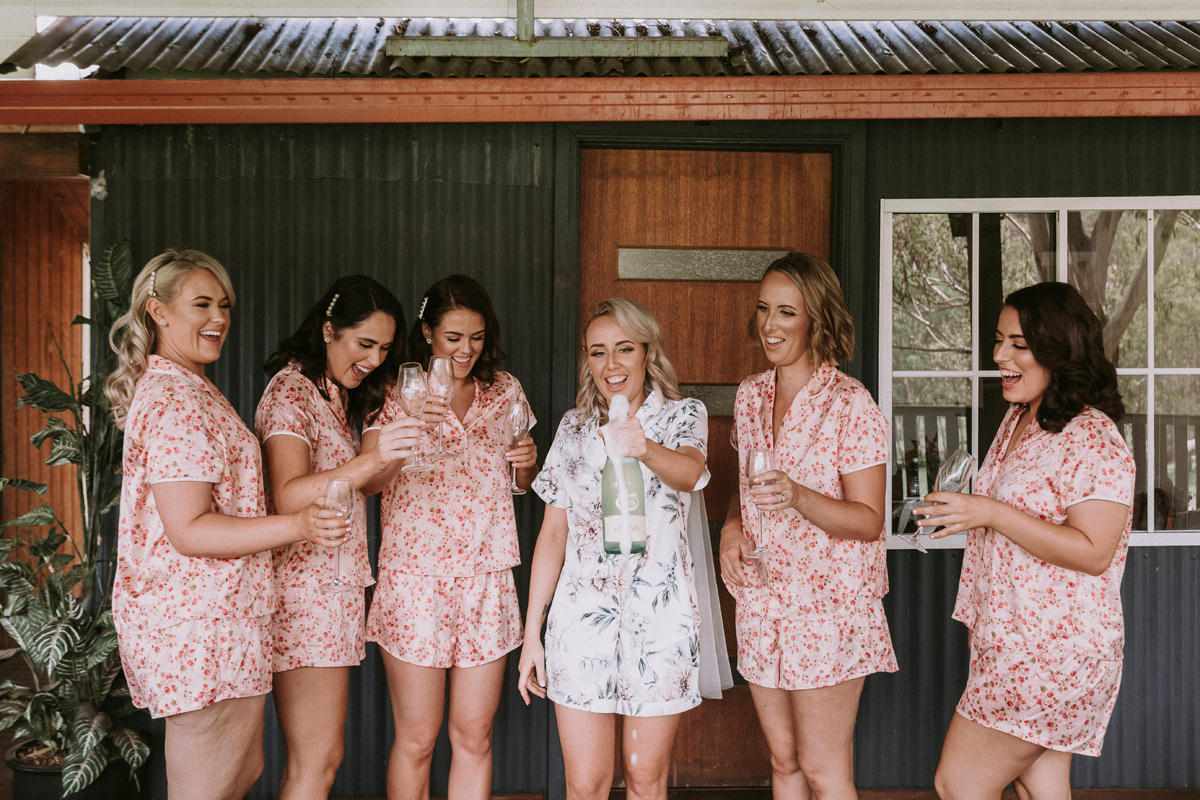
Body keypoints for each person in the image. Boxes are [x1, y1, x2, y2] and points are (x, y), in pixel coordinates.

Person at [105, 249, 346, 800]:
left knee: (239, 773)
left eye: (225, 305)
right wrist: (300, 524)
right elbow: (190, 529)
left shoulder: (191, 387)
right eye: (202, 304)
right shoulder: (174, 399)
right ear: (158, 311)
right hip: (198, 627)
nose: (219, 318)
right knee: (210, 786)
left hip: (225, 620)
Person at [921, 282, 1135, 800]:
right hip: (1012, 647)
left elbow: (1095, 551)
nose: (1000, 355)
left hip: (1053, 657)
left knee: (958, 783)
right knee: (1040, 783)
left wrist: (990, 511)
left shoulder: (1092, 436)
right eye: (999, 341)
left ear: (1060, 351)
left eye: (1019, 344)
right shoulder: (1020, 418)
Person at [718, 252, 896, 800]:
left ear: (817, 319)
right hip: (763, 603)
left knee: (822, 769)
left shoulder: (851, 404)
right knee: (785, 761)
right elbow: (745, 490)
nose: (769, 325)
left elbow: (869, 520)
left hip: (829, 610)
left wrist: (798, 496)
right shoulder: (751, 395)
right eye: (763, 309)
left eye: (786, 312)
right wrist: (730, 529)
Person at [519, 297, 711, 800]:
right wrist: (532, 634)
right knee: (585, 785)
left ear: (647, 352)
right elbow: (553, 534)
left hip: (660, 624)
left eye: (624, 348)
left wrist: (639, 445)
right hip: (580, 625)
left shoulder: (683, 415)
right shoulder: (573, 428)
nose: (611, 364)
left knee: (646, 781)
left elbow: (689, 473)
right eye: (597, 351)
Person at [363, 274, 537, 800]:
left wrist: (526, 463)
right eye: (453, 337)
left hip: (486, 578)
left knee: (474, 736)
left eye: (477, 337)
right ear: (427, 332)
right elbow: (368, 483)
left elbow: (521, 481)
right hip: (414, 582)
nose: (466, 349)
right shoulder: (395, 391)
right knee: (418, 739)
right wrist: (409, 431)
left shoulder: (505, 390)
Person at [254, 275, 423, 799]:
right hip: (303, 595)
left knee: (321, 758)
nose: (374, 360)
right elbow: (288, 495)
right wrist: (373, 458)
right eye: (364, 343)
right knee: (317, 759)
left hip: (333, 592)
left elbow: (363, 486)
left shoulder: (335, 395)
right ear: (329, 330)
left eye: (385, 349)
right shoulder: (291, 391)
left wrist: (396, 451)